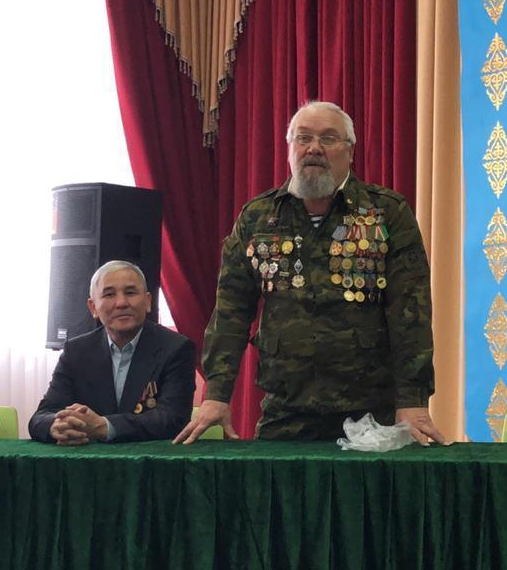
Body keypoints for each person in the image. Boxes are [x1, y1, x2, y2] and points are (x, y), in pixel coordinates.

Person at [175, 101, 449, 445]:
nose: (314, 148)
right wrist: (216, 395)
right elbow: (230, 312)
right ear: (290, 149)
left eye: (328, 138)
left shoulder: (385, 213)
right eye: (303, 138)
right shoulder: (258, 218)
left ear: (350, 151)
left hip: (371, 412)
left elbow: (411, 312)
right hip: (286, 409)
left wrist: (413, 400)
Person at [29, 260, 196, 444]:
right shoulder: (76, 351)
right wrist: (56, 426)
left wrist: (105, 426)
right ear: (93, 308)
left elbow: (173, 419)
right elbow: (42, 416)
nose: (121, 303)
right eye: (109, 294)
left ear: (148, 302)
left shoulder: (176, 348)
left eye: (130, 293)